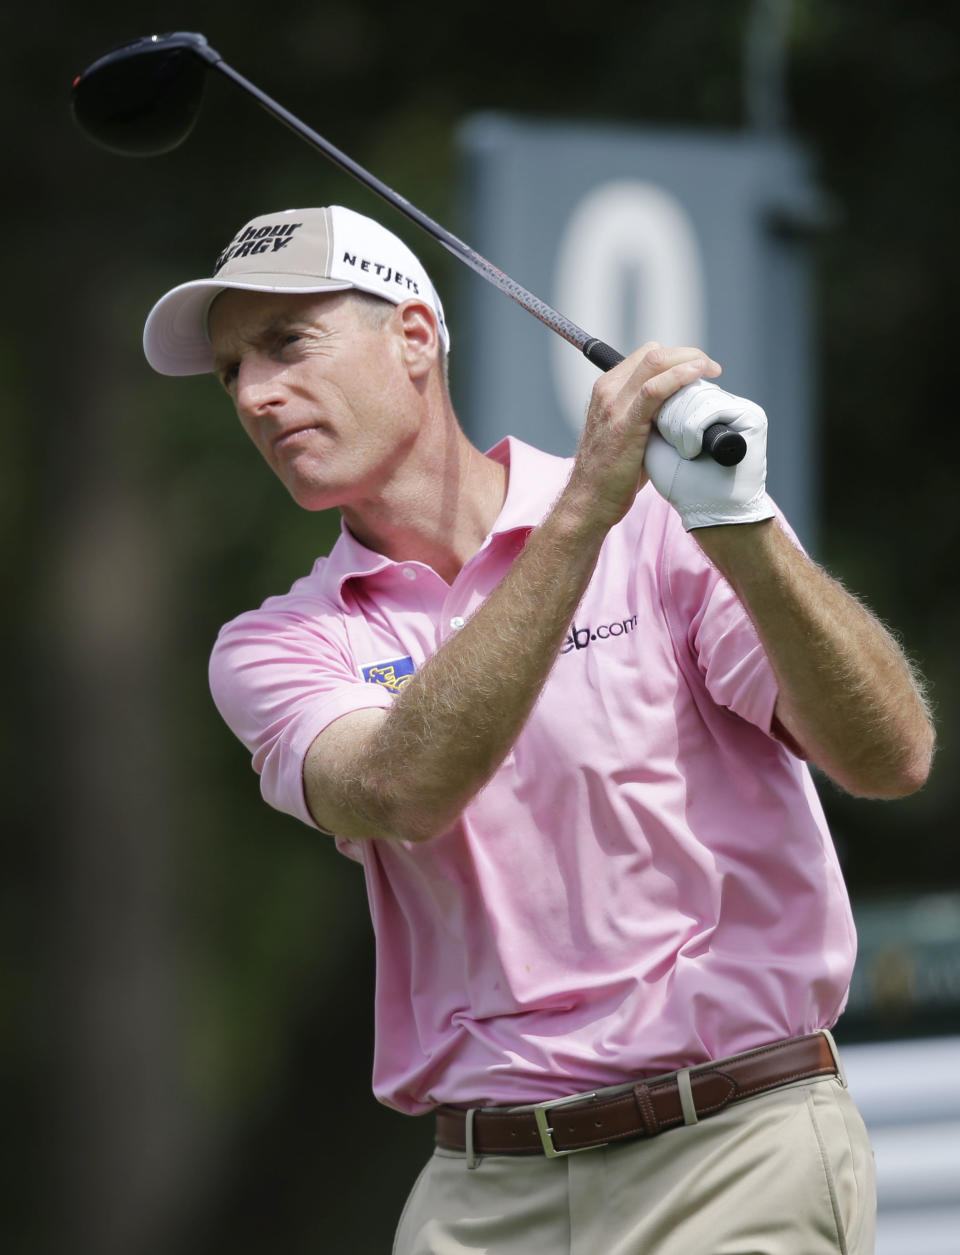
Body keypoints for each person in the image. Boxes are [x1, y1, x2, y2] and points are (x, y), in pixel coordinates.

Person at [144, 204, 933, 1254]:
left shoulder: (666, 520)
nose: (254, 393)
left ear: (415, 338)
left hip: (734, 1145)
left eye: (288, 344)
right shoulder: (274, 641)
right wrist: (582, 514)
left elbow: (889, 757)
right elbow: (398, 789)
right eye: (232, 368)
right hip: (484, 1192)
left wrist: (739, 526)